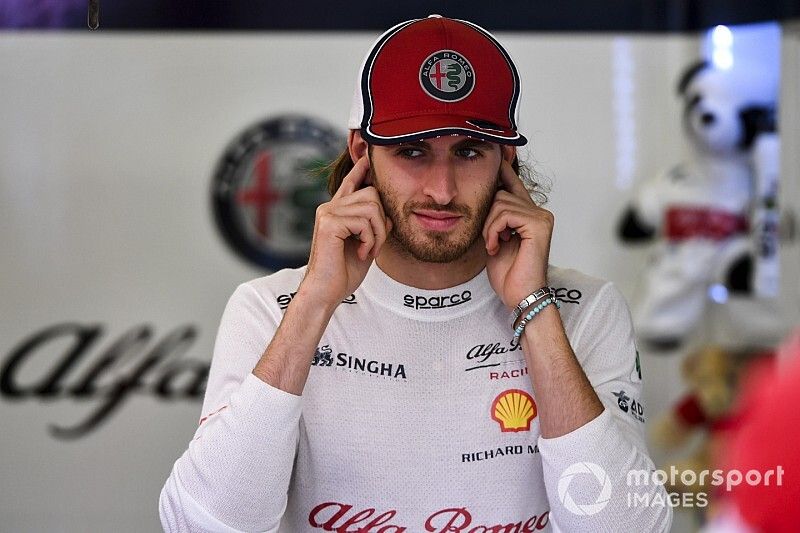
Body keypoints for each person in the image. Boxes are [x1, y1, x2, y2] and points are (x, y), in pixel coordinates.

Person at [160, 15, 672, 532]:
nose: (442, 189)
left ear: (506, 161)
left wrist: (534, 311)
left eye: (469, 151)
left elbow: (627, 527)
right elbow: (203, 524)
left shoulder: (585, 307)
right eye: (412, 151)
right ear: (362, 153)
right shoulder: (270, 307)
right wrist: (314, 302)